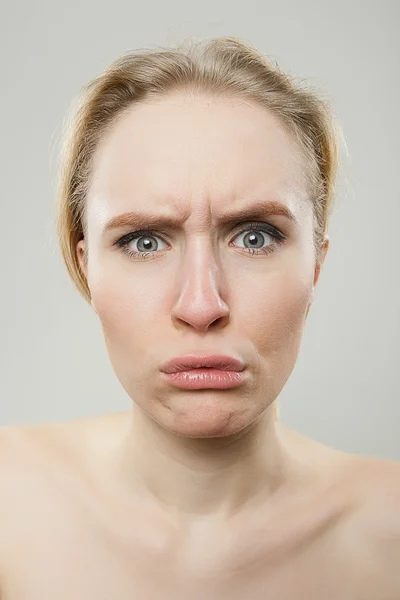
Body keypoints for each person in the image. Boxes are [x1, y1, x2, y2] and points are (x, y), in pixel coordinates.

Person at [0, 36, 399, 599]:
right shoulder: (7, 504)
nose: (201, 306)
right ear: (87, 268)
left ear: (316, 265)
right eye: (143, 242)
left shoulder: (390, 538)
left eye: (255, 237)